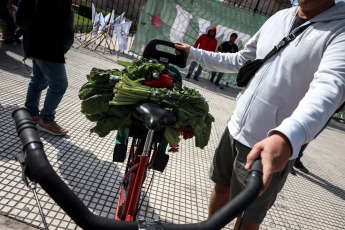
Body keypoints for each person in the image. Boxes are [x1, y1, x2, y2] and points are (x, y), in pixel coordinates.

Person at [175, 0, 345, 229]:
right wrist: (194, 54)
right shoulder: (280, 17)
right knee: (221, 187)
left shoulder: (340, 30)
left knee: (247, 218)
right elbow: (242, 59)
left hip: (270, 146)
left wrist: (286, 136)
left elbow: (330, 88)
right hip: (235, 128)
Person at [16, 0, 74, 135]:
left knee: (38, 78)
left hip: (38, 40)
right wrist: (67, 34)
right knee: (59, 83)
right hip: (46, 43)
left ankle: (31, 113)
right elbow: (48, 14)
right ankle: (46, 121)